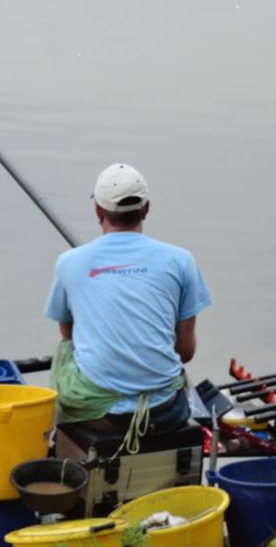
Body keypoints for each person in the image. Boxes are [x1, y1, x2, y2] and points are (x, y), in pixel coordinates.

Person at [44, 163, 212, 451]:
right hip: (166, 412)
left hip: (102, 417)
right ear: (146, 208)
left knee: (65, 353)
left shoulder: (70, 262)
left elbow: (68, 336)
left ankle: (60, 451)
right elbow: (185, 352)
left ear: (98, 211)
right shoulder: (181, 260)